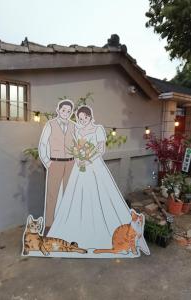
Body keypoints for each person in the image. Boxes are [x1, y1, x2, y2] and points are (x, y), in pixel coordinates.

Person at [47, 105, 133, 250]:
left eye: (85, 117)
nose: (83, 120)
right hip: (80, 165)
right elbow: (76, 147)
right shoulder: (78, 130)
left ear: (90, 116)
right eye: (80, 118)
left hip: (94, 165)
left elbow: (101, 148)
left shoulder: (98, 128)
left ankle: (98, 225)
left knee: (97, 193)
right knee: (77, 194)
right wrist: (78, 157)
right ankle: (79, 224)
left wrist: (89, 159)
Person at [38, 99, 76, 233]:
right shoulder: (50, 124)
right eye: (63, 110)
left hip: (71, 163)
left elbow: (78, 144)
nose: (66, 112)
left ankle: (67, 223)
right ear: (58, 110)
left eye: (69, 111)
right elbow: (43, 144)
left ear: (71, 113)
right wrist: (47, 162)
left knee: (69, 193)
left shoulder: (74, 125)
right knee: (52, 194)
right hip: (55, 162)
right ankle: (48, 226)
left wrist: (77, 160)